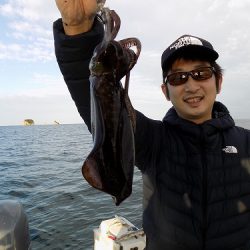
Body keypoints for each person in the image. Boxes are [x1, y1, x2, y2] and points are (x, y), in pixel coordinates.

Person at [53, 1, 250, 249]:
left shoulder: (247, 143)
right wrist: (78, 29)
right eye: (178, 78)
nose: (191, 86)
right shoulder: (153, 140)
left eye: (201, 73)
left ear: (218, 82)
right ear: (165, 91)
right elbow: (97, 99)